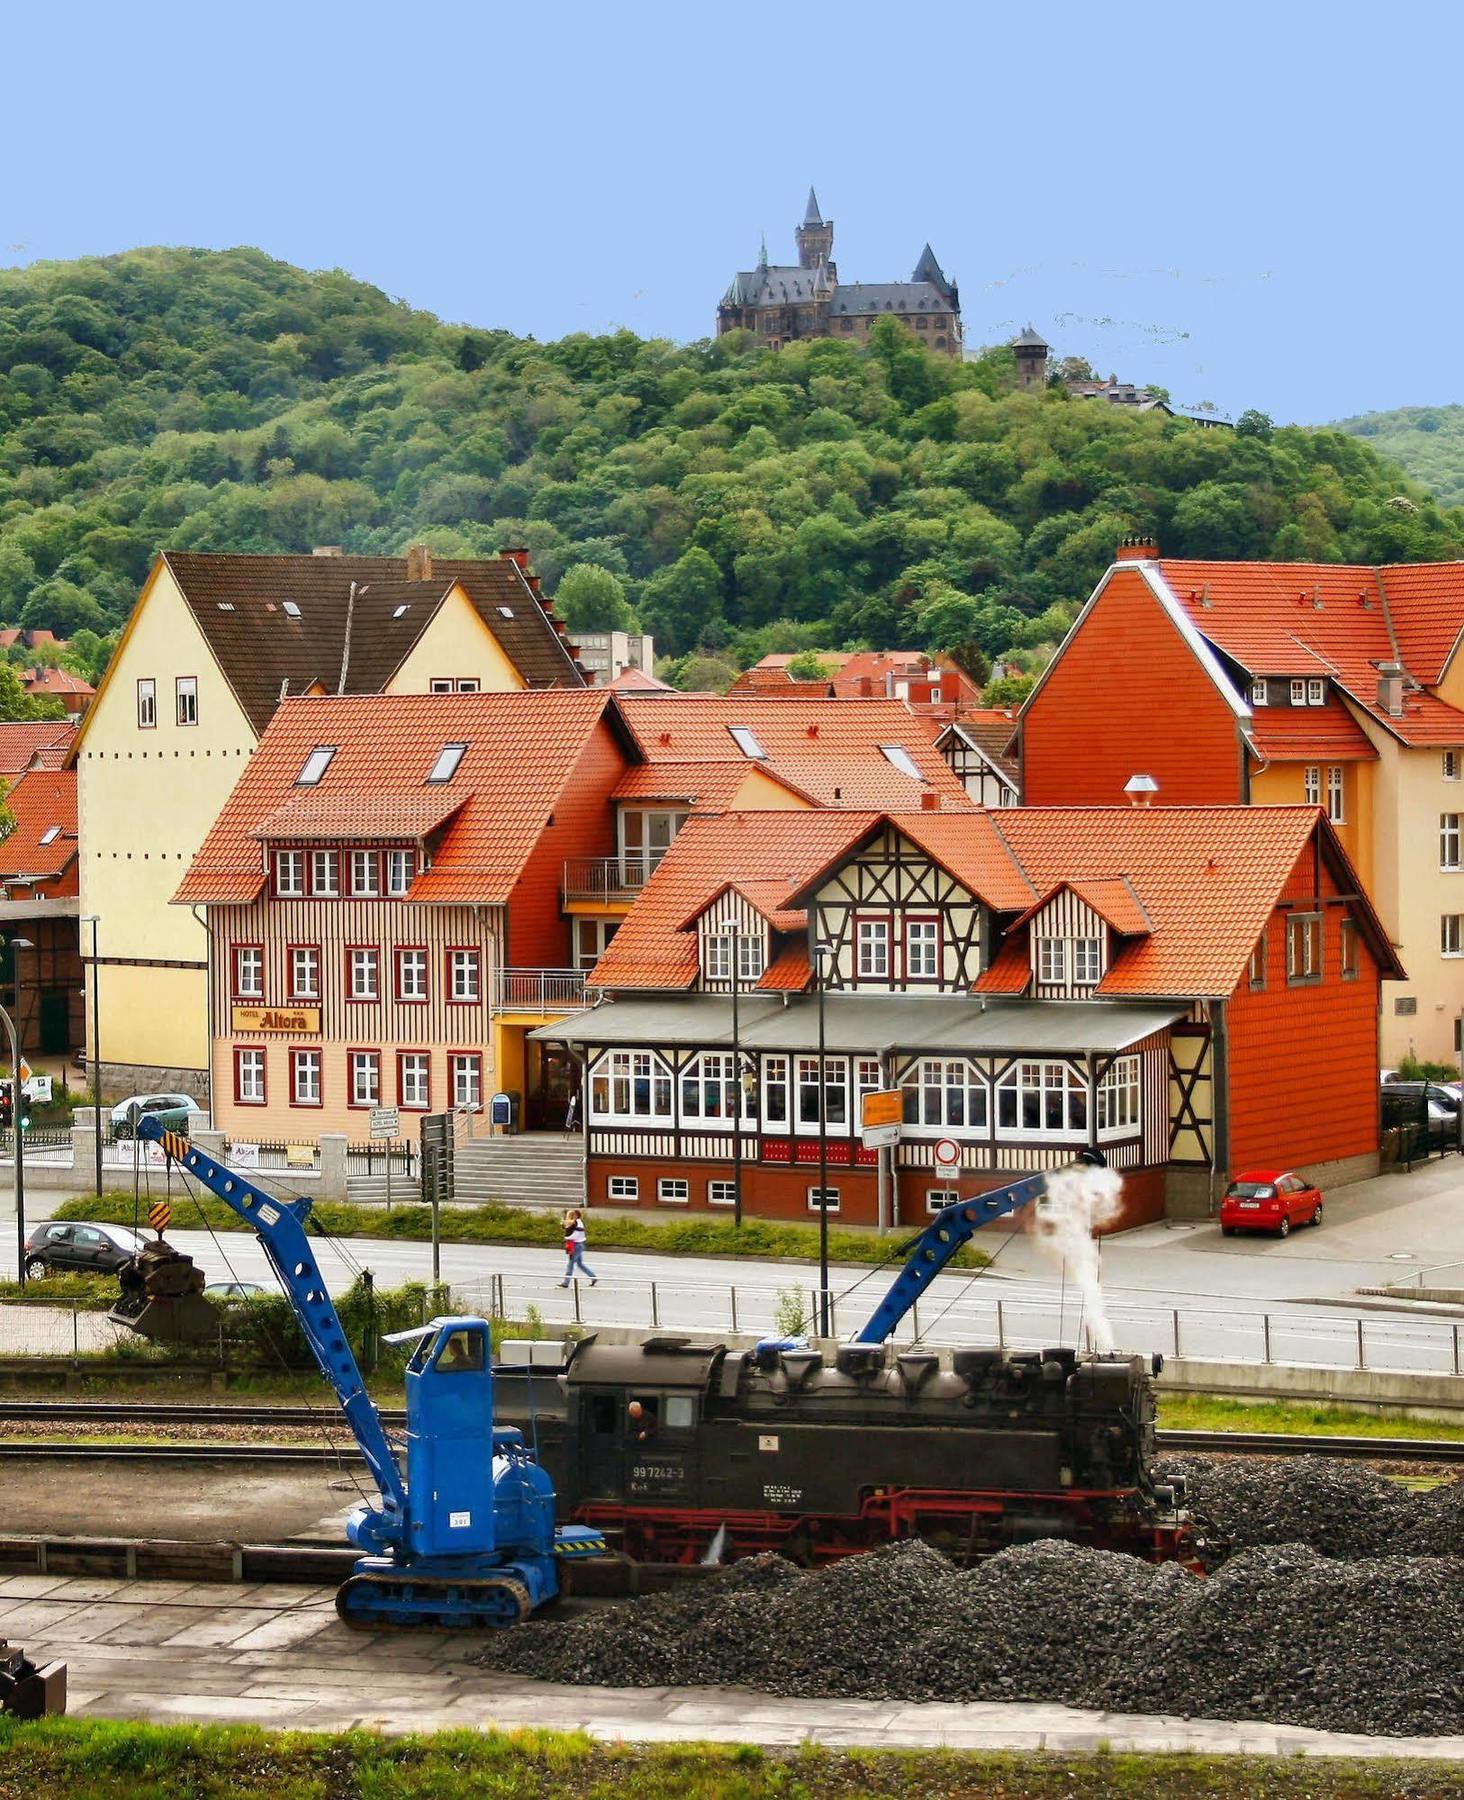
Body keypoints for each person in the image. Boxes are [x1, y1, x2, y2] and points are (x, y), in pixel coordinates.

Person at [560, 1208, 597, 1287]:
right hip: (579, 1244)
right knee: (580, 1264)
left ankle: (566, 1282)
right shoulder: (579, 1222)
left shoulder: (576, 1224)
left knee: (570, 1264)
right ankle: (593, 1277)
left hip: (575, 1245)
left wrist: (566, 1237)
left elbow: (573, 1235)